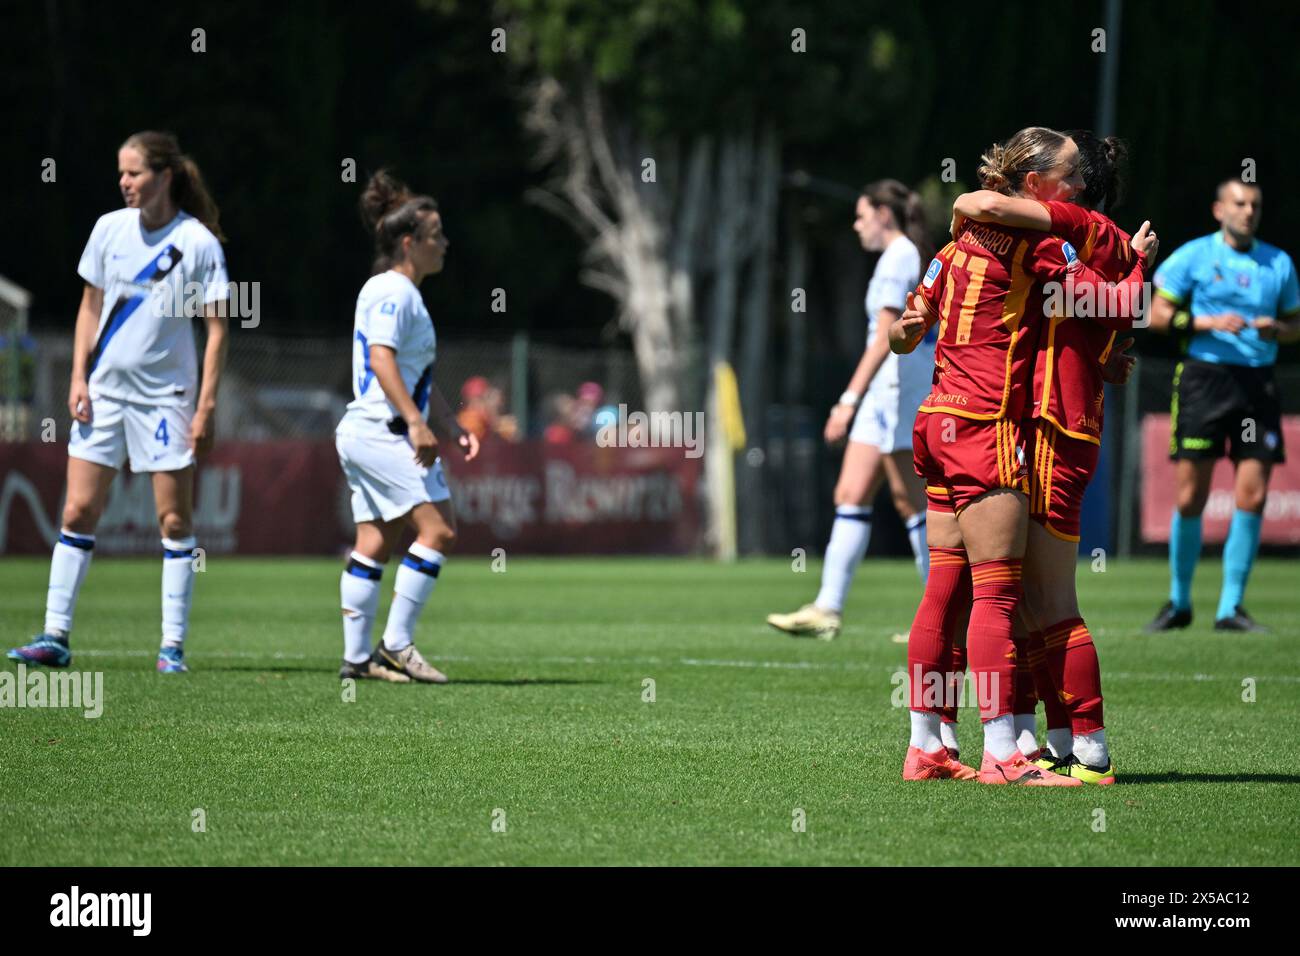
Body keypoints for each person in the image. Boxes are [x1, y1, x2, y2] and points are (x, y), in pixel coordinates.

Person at [891, 126, 1156, 785]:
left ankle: (929, 743)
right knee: (1005, 597)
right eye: (1069, 176)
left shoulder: (952, 247)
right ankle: (1009, 753)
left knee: (943, 590)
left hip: (935, 420)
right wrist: (1139, 266)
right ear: (1035, 185)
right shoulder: (1039, 242)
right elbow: (1123, 302)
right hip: (985, 423)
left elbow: (908, 327)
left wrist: (1101, 352)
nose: (1080, 187)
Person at [9, 131, 229, 674]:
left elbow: (219, 329)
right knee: (77, 510)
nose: (124, 182)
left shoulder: (198, 242)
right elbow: (90, 306)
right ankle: (55, 636)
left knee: (174, 519)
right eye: (121, 173)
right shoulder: (109, 229)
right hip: (104, 394)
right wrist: (78, 376)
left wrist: (205, 407)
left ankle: (171, 647)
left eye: (134, 173)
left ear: (165, 176)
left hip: (165, 400)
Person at [767, 179, 932, 643]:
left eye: (861, 216)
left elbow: (885, 337)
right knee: (851, 492)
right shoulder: (899, 257)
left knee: (912, 501)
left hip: (899, 391)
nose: (857, 226)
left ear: (884, 213)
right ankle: (828, 608)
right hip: (884, 394)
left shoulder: (899, 256)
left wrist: (847, 399)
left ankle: (942, 620)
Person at [334, 170, 479, 684]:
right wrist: (418, 425)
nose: (444, 243)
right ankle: (395, 646)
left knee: (374, 541)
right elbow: (382, 359)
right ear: (408, 242)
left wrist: (447, 421)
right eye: (435, 234)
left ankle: (357, 660)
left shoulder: (395, 290)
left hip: (368, 428)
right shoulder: (396, 291)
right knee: (439, 532)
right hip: (385, 429)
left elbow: (414, 375)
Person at [1143, 179, 1300, 633]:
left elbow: (1294, 325)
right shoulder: (1195, 256)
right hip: (1203, 380)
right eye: (1239, 203)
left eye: (1255, 204)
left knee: (1252, 495)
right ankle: (1179, 602)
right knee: (1191, 495)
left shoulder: (1280, 263)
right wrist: (1206, 321)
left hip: (1257, 386)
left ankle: (1230, 608)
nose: (1248, 211)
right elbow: (1155, 315)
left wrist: (1278, 331)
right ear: (1219, 210)